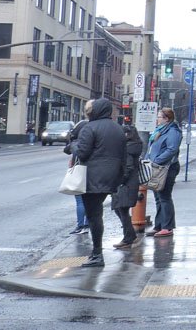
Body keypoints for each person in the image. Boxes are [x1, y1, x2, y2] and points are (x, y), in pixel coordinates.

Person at [71, 98, 125, 267]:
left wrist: (73, 144)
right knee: (96, 214)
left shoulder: (90, 127)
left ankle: (97, 254)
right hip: (112, 177)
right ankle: (96, 253)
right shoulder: (118, 128)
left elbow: (83, 152)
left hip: (92, 178)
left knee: (94, 216)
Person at [147, 107, 183, 237]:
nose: (157, 119)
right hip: (156, 167)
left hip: (167, 167)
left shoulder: (173, 131)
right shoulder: (161, 130)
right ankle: (159, 225)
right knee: (158, 197)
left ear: (166, 119)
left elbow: (172, 149)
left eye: (159, 117)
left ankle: (167, 226)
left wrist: (157, 160)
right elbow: (152, 147)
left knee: (164, 196)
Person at [111, 123, 144, 249]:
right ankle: (130, 235)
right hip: (129, 183)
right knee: (120, 209)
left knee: (121, 210)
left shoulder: (128, 148)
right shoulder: (133, 146)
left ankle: (128, 238)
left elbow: (128, 167)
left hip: (125, 184)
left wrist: (119, 180)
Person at [64, 106, 92, 235]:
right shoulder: (94, 131)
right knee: (90, 199)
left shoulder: (79, 134)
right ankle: (87, 223)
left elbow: (68, 148)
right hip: (93, 170)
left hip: (79, 169)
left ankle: (81, 225)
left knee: (80, 200)